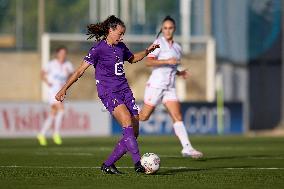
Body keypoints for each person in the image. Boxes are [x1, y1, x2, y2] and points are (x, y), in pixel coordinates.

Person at [55, 15, 159, 174]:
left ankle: (108, 164)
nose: (122, 36)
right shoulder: (98, 49)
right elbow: (79, 71)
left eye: (123, 33)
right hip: (108, 92)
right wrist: (64, 88)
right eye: (120, 33)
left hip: (125, 90)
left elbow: (132, 59)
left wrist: (147, 51)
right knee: (126, 122)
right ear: (110, 30)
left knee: (134, 131)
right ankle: (138, 163)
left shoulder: (121, 47)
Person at [139, 16, 203, 158]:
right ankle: (125, 109)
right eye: (165, 28)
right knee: (143, 117)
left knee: (177, 116)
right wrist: (167, 60)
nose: (168, 31)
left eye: (170, 28)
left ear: (174, 29)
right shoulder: (158, 43)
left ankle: (187, 148)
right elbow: (148, 62)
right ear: (162, 29)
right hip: (156, 85)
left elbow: (172, 67)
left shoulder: (178, 48)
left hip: (170, 87)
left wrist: (179, 72)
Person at [37, 46, 74, 146]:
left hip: (61, 91)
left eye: (64, 53)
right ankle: (56, 133)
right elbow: (42, 73)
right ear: (57, 54)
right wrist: (48, 83)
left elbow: (72, 75)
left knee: (53, 113)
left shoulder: (68, 65)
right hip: (52, 91)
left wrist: (67, 83)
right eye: (61, 53)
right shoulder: (51, 64)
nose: (63, 55)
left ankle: (41, 134)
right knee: (61, 109)